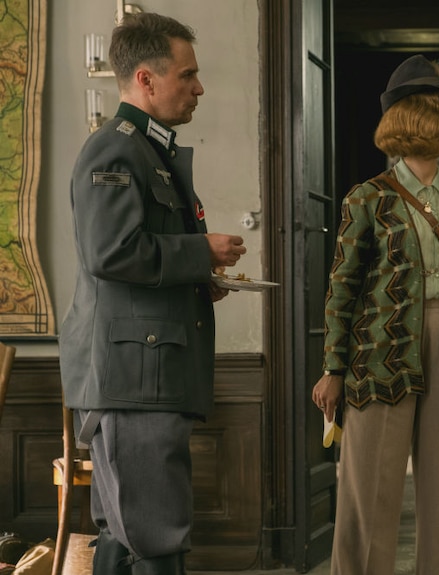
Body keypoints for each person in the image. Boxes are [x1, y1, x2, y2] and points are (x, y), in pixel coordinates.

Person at [59, 13, 247, 575]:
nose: (198, 88)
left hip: (145, 372)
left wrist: (196, 277)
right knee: (155, 534)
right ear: (146, 79)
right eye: (187, 75)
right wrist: (199, 253)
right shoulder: (115, 150)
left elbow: (138, 256)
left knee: (126, 536)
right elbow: (110, 253)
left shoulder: (148, 150)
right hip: (133, 377)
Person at [310, 54, 439, 575]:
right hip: (379, 352)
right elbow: (342, 289)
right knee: (370, 488)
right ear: (420, 118)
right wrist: (334, 367)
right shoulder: (369, 198)